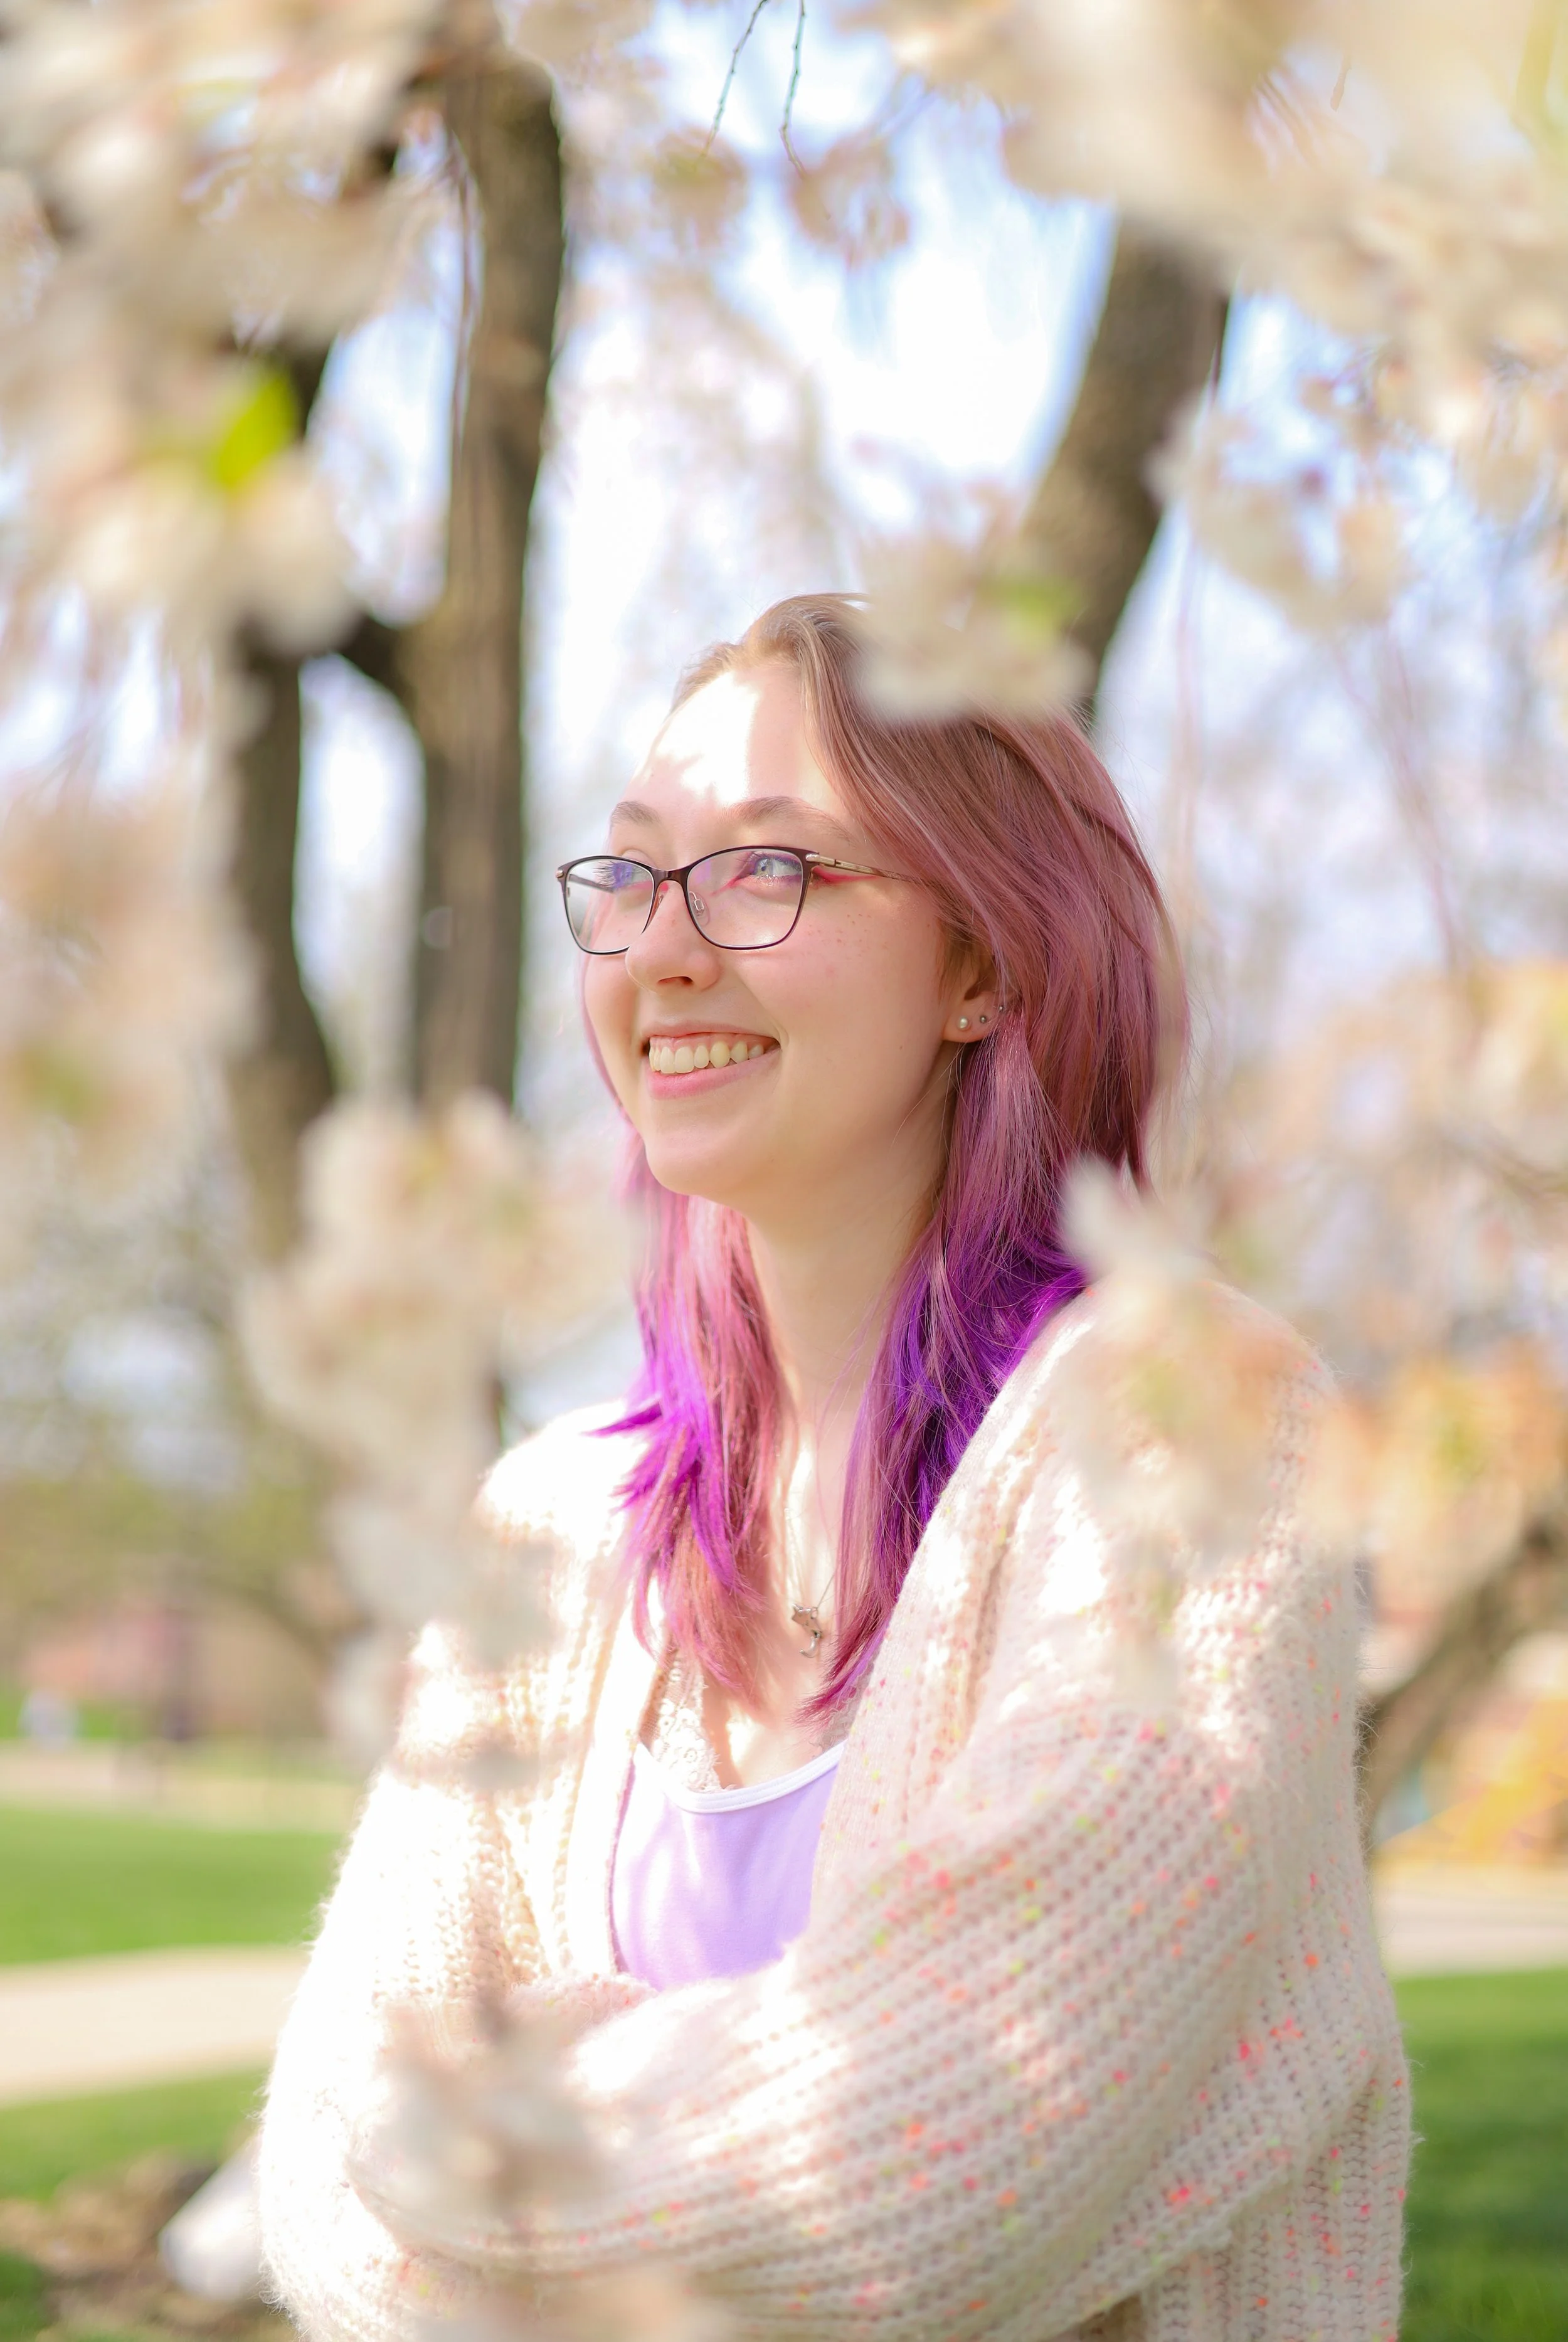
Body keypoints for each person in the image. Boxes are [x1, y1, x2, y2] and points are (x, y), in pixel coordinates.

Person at [260, 596, 1409, 2342]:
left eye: (766, 869)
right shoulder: (551, 1527)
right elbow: (317, 2201)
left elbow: (945, 2148)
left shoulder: (1189, 1427)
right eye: (634, 873)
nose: (662, 949)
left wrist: (484, 2125)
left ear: (982, 963)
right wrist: (528, 2159)